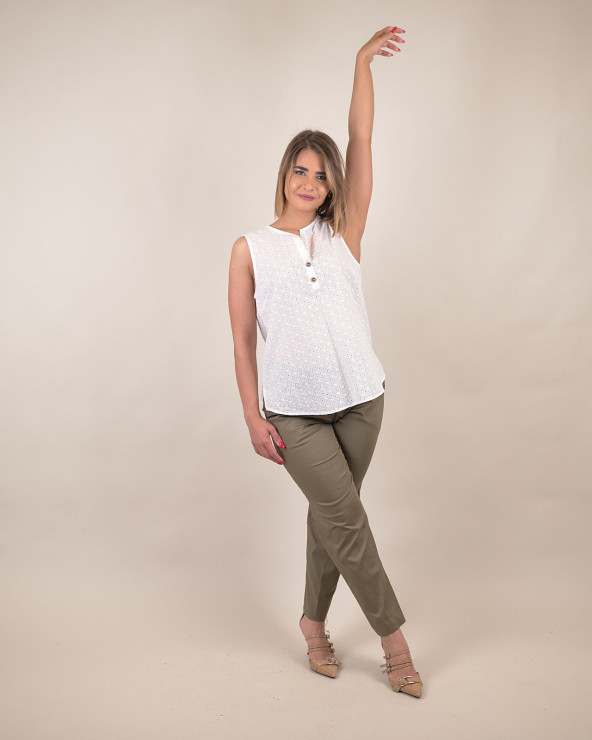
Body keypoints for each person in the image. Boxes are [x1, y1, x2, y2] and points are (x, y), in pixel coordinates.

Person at [227, 25, 422, 698]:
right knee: (348, 524)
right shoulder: (250, 248)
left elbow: (360, 136)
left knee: (331, 519)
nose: (310, 182)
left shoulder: (345, 232)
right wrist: (252, 415)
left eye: (320, 173)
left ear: (331, 182)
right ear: (284, 175)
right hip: (294, 413)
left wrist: (362, 62)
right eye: (299, 170)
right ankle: (397, 646)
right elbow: (243, 341)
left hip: (363, 399)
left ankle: (313, 624)